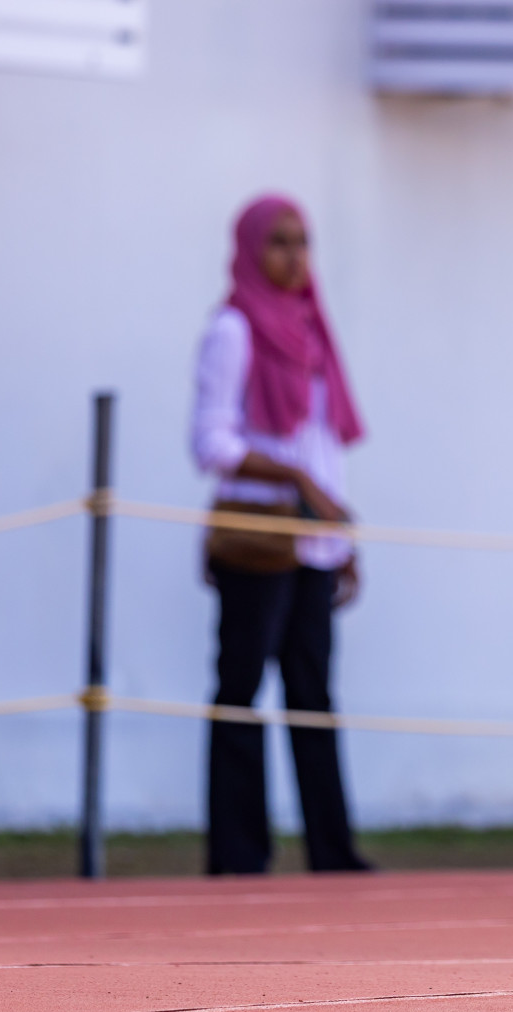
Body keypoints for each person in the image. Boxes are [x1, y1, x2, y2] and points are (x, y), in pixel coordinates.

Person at [190, 195, 370, 875]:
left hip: (316, 539)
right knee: (240, 689)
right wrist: (297, 480)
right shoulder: (233, 329)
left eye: (303, 242)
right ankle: (238, 855)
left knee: (314, 696)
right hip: (260, 534)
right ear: (249, 249)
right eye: (279, 243)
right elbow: (210, 443)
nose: (295, 256)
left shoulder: (311, 328)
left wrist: (343, 537)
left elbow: (324, 445)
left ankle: (332, 851)